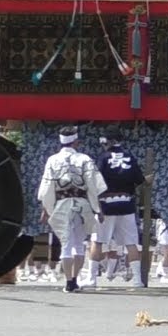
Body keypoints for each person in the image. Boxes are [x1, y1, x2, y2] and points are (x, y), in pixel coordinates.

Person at [36, 126, 106, 293]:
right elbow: (92, 185)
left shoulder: (52, 160)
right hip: (82, 204)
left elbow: (47, 187)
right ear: (76, 141)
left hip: (61, 204)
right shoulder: (85, 159)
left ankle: (68, 282)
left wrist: (46, 209)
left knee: (66, 244)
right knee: (79, 244)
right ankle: (74, 279)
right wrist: (98, 209)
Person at [92, 135, 145, 286]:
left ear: (106, 142)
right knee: (131, 242)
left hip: (106, 204)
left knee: (98, 241)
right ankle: (137, 280)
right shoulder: (129, 157)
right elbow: (140, 179)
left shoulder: (103, 158)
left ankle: (91, 278)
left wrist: (96, 207)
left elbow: (96, 182)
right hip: (126, 204)